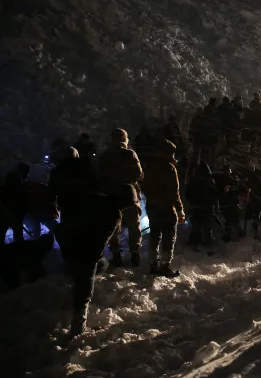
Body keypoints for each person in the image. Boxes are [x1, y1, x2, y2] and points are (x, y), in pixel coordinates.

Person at [50, 147, 132, 336]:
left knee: (95, 265)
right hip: (81, 246)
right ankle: (78, 327)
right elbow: (98, 243)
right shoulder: (113, 215)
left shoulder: (96, 199)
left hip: (68, 237)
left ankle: (73, 273)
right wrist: (90, 260)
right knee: (85, 286)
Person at [98, 128, 144, 267]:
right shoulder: (129, 154)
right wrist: (127, 182)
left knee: (114, 227)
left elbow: (99, 176)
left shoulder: (105, 156)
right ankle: (135, 254)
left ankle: (116, 254)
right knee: (134, 225)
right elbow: (139, 173)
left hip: (111, 196)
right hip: (129, 195)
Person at [141, 139, 185, 277]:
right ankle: (165, 265)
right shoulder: (169, 168)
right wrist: (180, 210)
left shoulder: (148, 166)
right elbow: (174, 192)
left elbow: (143, 186)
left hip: (152, 207)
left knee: (154, 236)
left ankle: (152, 265)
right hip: (167, 208)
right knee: (168, 237)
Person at [186, 164, 218, 247]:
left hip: (196, 206)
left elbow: (188, 193)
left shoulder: (193, 180)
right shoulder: (210, 180)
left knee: (196, 225)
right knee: (207, 226)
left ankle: (194, 242)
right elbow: (215, 193)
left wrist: (191, 202)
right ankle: (207, 243)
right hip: (207, 206)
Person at [214, 165, 243, 241]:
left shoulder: (219, 180)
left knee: (229, 219)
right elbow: (235, 191)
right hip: (230, 202)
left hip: (224, 203)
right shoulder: (229, 180)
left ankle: (230, 234)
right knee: (233, 219)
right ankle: (237, 234)